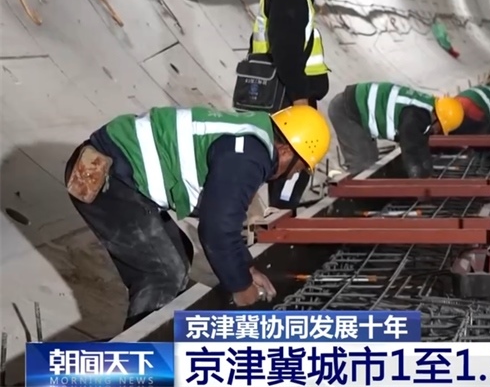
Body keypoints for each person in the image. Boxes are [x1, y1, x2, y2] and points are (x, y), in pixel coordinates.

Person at [63, 105, 332, 327]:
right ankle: (140, 360)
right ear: (285, 151)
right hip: (106, 173)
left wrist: (246, 268)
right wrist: (241, 286)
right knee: (164, 272)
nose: (292, 175)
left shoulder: (251, 139)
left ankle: (150, 342)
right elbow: (217, 229)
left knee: (180, 253)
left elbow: (226, 218)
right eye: (297, 168)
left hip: (118, 169)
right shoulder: (250, 156)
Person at [239, 0, 334, 209]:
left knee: (287, 163)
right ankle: (281, 215)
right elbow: (286, 51)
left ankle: (280, 213)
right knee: (295, 161)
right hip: (285, 100)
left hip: (280, 95)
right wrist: (301, 100)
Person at [327, 82, 465, 178]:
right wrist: (418, 178)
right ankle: (355, 201)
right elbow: (410, 148)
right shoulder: (416, 116)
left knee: (370, 162)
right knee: (363, 164)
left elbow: (421, 146)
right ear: (438, 117)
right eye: (440, 128)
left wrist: (428, 172)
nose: (437, 131)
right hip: (347, 110)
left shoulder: (425, 109)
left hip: (354, 106)